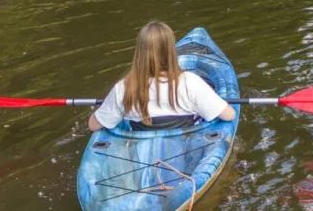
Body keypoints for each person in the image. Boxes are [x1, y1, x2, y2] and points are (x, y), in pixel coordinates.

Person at [88, 21, 234, 132]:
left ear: (140, 52)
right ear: (171, 50)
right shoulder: (190, 82)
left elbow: (93, 125)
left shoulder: (125, 87)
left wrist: (109, 104)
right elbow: (229, 115)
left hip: (141, 155)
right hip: (185, 149)